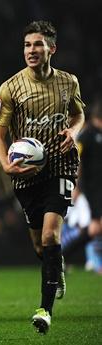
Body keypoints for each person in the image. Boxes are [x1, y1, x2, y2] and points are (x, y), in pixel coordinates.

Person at [0, 20, 85, 334]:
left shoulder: (68, 82)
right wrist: (5, 164)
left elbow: (78, 113)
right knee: (39, 244)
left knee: (49, 236)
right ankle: (55, 267)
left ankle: (45, 310)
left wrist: (73, 130)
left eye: (38, 44)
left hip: (61, 164)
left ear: (51, 49)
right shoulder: (10, 87)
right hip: (26, 171)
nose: (31, 50)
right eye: (27, 45)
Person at [76, 99, 102, 272]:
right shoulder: (86, 135)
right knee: (93, 226)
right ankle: (59, 255)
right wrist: (76, 186)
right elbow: (76, 161)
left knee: (94, 227)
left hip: (98, 187)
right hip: (91, 188)